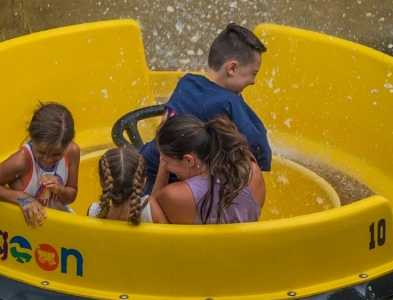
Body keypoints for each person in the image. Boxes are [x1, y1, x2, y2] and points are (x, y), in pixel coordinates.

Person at [142, 23, 271, 190]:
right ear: (232, 68)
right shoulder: (229, 103)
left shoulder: (186, 82)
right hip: (172, 185)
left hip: (145, 165)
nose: (253, 81)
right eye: (253, 73)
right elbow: (257, 147)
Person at [0, 102, 80, 227]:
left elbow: (70, 197)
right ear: (31, 137)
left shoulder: (72, 152)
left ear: (68, 144)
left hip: (59, 223)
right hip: (27, 228)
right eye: (41, 152)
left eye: (56, 155)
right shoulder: (22, 161)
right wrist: (23, 198)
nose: (47, 159)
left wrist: (60, 189)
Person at [154, 113, 265, 224]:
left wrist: (162, 168)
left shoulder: (174, 196)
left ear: (188, 160)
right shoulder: (251, 172)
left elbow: (150, 215)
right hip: (247, 241)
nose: (166, 165)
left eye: (166, 161)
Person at [88, 146, 167, 224]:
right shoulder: (151, 209)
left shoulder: (93, 212)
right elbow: (167, 235)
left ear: (102, 183)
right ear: (143, 182)